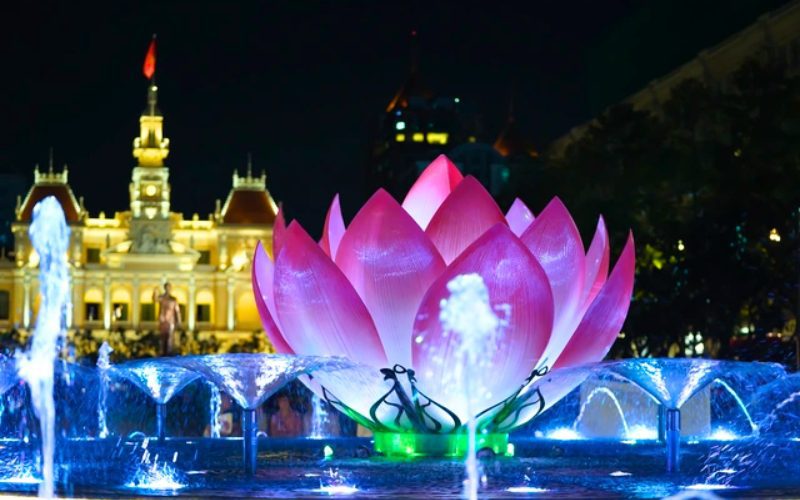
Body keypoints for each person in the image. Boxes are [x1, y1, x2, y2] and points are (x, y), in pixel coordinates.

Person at [153, 282, 181, 356]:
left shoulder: (173, 299)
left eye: (169, 287)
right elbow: (155, 299)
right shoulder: (162, 297)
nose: (168, 289)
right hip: (163, 320)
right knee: (163, 337)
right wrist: (155, 291)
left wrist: (179, 321)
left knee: (170, 337)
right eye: (167, 287)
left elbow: (177, 311)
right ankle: (162, 352)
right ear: (165, 288)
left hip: (171, 320)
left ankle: (169, 352)